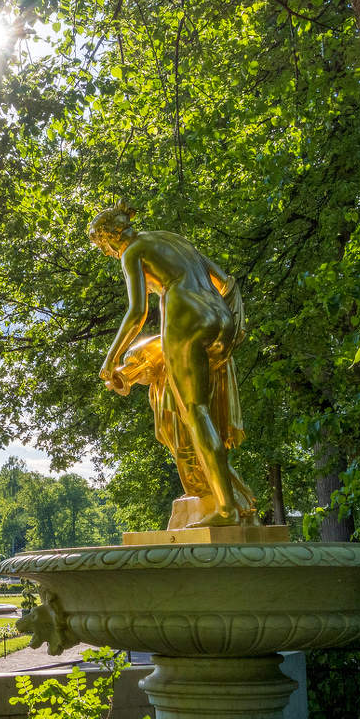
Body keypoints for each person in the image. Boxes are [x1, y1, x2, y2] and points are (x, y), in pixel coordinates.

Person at [91, 204, 255, 527]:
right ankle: (230, 496)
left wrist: (111, 359)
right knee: (198, 412)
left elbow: (137, 312)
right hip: (220, 314)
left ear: (110, 240)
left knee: (195, 412)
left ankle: (226, 509)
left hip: (186, 317)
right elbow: (223, 280)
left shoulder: (131, 251)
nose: (108, 252)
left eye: (103, 246)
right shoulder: (172, 239)